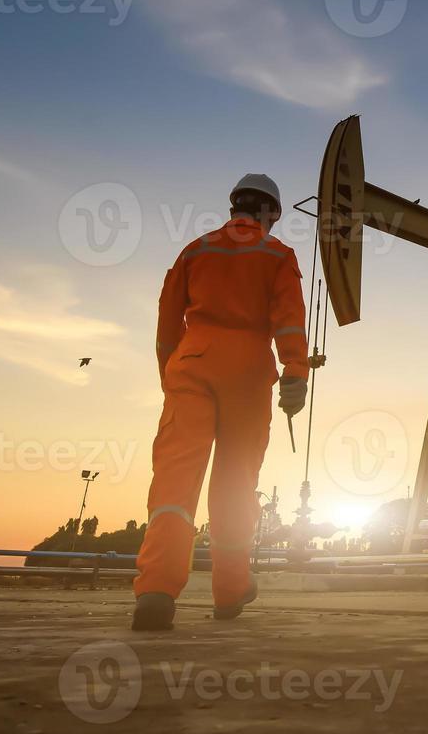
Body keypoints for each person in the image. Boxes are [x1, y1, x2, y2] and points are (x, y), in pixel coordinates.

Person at [131, 174, 309, 631]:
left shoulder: (195, 250)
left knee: (174, 481)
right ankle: (229, 591)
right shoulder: (278, 255)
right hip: (249, 374)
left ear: (234, 207)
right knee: (235, 483)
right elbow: (289, 321)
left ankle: (155, 591)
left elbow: (167, 322)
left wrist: (173, 376)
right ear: (271, 213)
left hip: (191, 364)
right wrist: (295, 372)